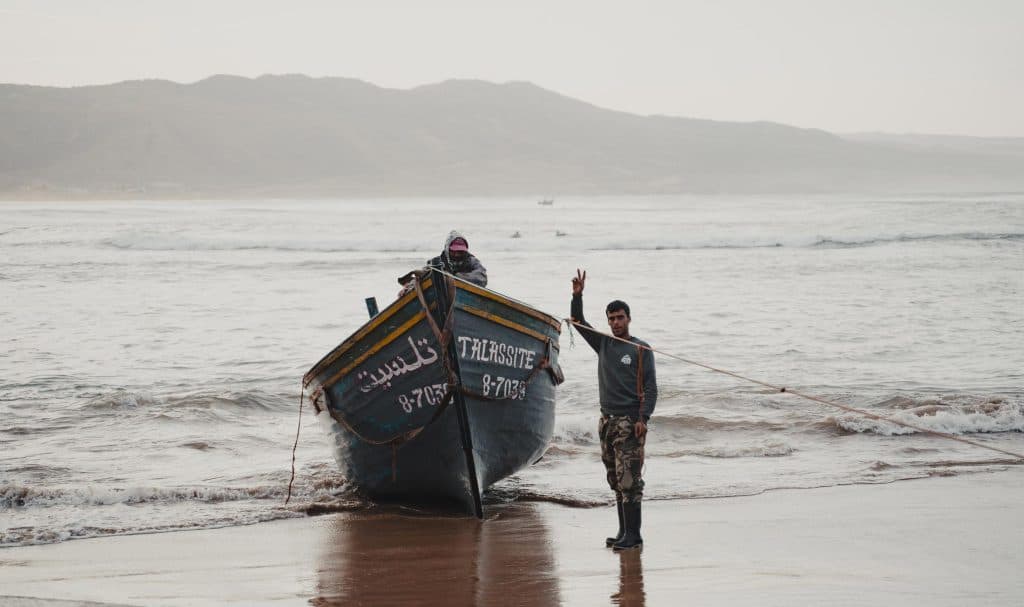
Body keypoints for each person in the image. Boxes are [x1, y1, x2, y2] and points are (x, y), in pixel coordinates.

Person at [570, 269, 657, 551]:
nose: (616, 323)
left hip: (630, 422)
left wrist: (644, 418)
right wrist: (577, 296)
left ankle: (635, 536)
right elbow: (579, 323)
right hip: (606, 422)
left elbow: (652, 388)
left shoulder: (641, 349)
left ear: (628, 319)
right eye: (611, 319)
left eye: (620, 318)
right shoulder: (604, 343)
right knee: (615, 479)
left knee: (630, 480)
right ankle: (623, 532)